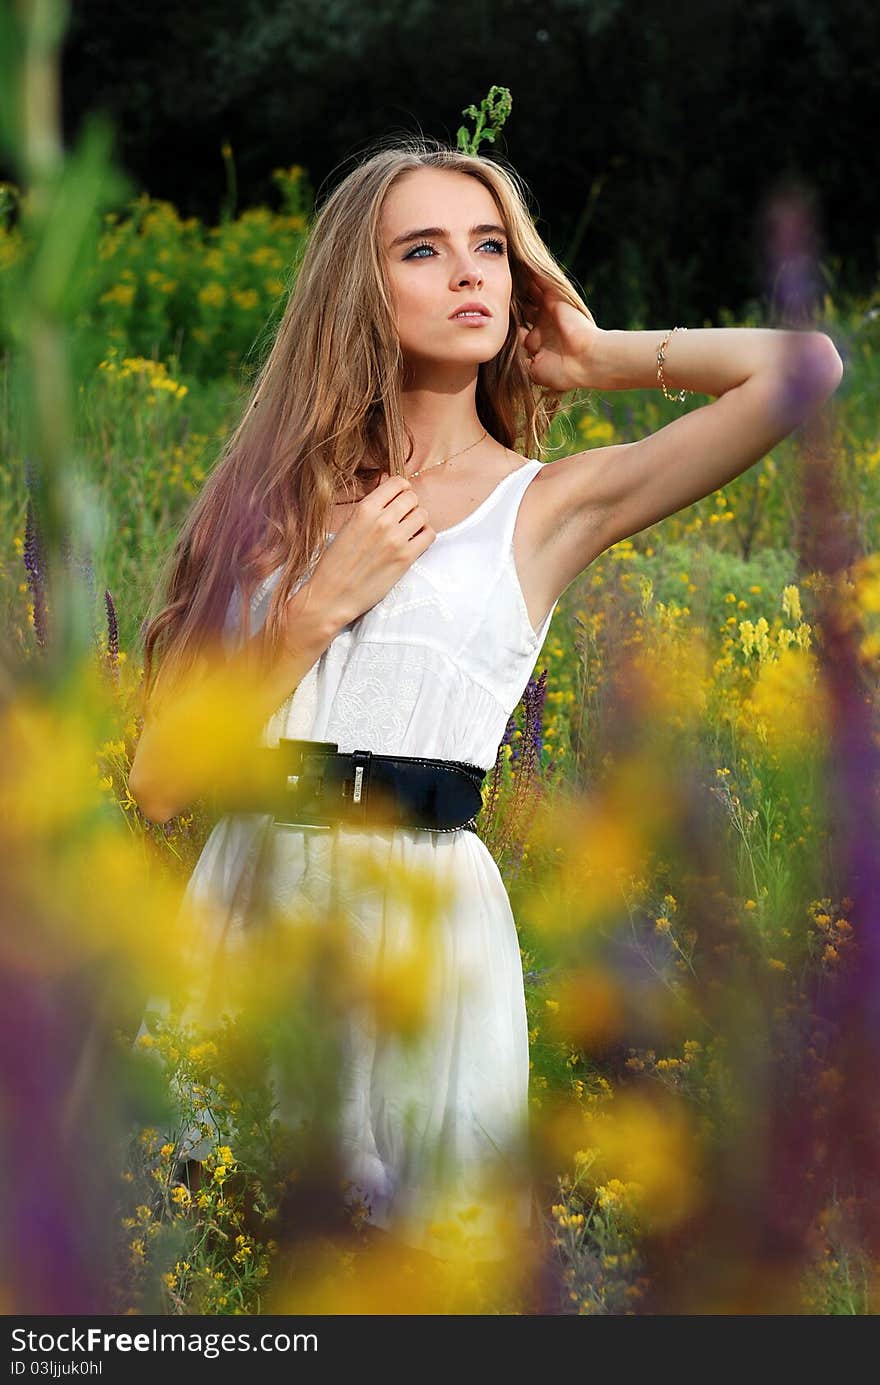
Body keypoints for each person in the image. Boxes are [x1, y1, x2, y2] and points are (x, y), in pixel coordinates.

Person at [127, 136, 843, 1265]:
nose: (467, 274)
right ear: (360, 288)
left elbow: (803, 370)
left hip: (429, 920)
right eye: (424, 249)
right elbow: (159, 780)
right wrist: (313, 608)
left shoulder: (546, 504)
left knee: (420, 1276)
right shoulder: (266, 495)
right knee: (209, 1266)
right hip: (249, 898)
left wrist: (601, 355)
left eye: (490, 250)